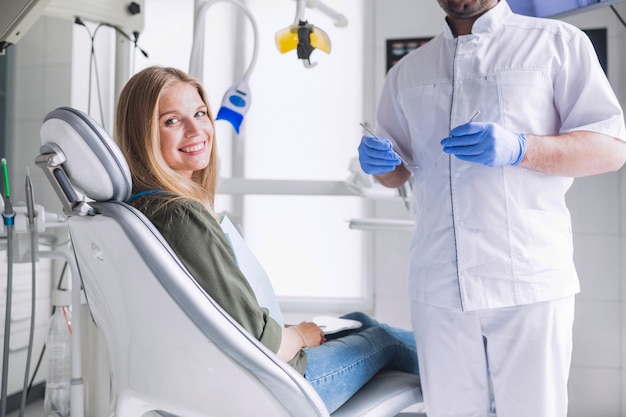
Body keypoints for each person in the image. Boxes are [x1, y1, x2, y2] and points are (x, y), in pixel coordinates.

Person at [357, 1, 626, 417]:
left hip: (528, 279)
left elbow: (609, 149)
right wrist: (380, 164)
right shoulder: (407, 71)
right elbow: (397, 172)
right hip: (438, 284)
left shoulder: (557, 44)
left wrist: (521, 148)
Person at [114, 65, 419, 414]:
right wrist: (300, 336)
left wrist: (295, 330)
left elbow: (220, 314)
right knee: (383, 340)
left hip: (217, 374)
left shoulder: (141, 207)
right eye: (171, 121)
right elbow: (259, 344)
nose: (196, 129)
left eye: (200, 113)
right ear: (142, 133)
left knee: (358, 321)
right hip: (270, 388)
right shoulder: (180, 216)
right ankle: (476, 373)